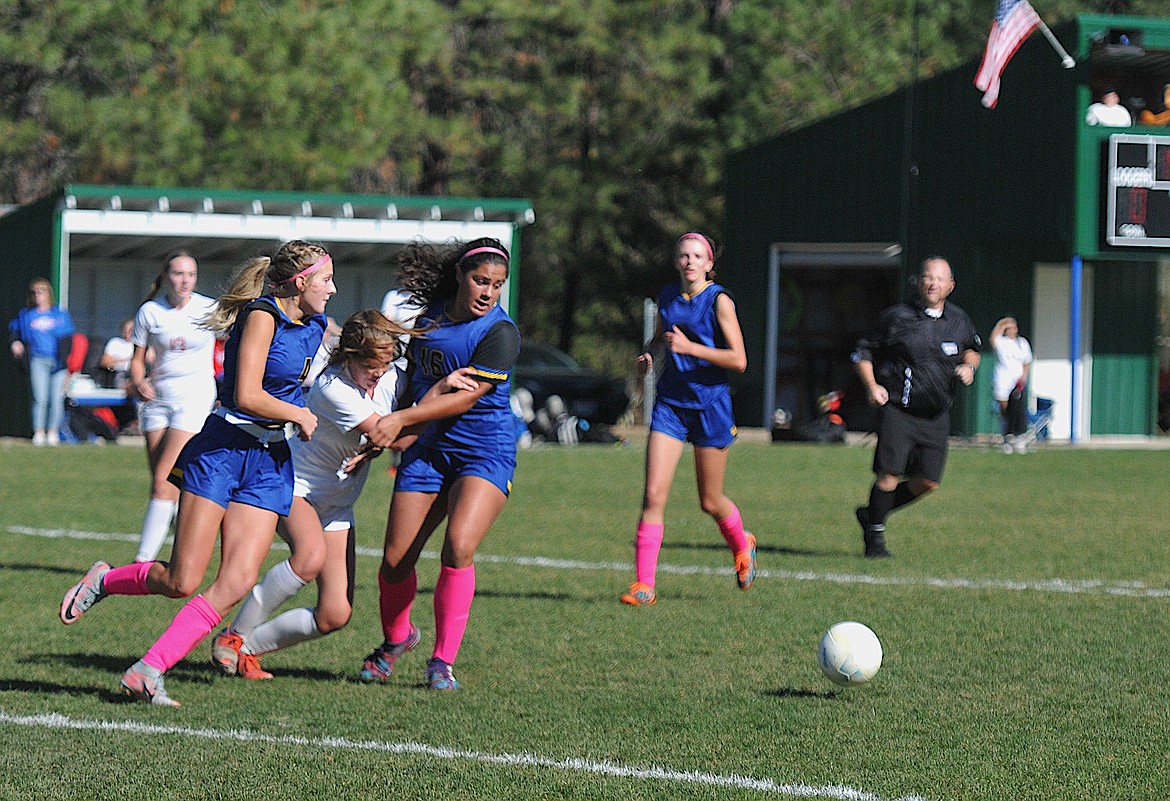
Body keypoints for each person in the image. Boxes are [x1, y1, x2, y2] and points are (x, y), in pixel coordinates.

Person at [58, 240, 336, 707]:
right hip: (224, 448)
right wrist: (299, 414)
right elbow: (245, 394)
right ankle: (104, 580)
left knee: (237, 580)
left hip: (268, 462)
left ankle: (149, 670)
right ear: (300, 281)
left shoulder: (317, 323)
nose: (332, 289)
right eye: (326, 279)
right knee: (182, 579)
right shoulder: (261, 316)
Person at [207, 310, 477, 680]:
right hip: (295, 486)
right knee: (309, 557)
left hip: (338, 504)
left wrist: (428, 397)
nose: (379, 373)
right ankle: (234, 637)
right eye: (370, 366)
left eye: (384, 364)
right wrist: (435, 396)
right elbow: (395, 434)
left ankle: (249, 651)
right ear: (349, 357)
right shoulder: (331, 388)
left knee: (336, 613)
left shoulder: (391, 376)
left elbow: (402, 428)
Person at [359, 237, 520, 691]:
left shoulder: (500, 333)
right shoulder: (429, 316)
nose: (488, 292)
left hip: (484, 450)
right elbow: (414, 381)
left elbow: (467, 397)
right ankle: (397, 640)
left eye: (497, 285)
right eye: (480, 281)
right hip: (428, 449)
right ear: (460, 277)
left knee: (459, 547)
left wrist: (400, 422)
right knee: (394, 563)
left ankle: (442, 661)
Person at [620, 231, 754, 608]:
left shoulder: (719, 301)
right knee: (653, 495)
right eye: (683, 255)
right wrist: (649, 353)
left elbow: (739, 360)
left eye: (697, 256)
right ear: (677, 262)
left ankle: (742, 545)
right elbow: (662, 338)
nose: (690, 262)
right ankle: (643, 584)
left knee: (710, 501)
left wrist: (692, 348)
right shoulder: (667, 296)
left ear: (709, 264)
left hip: (711, 408)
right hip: (671, 406)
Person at [852, 256, 981, 558]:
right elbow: (863, 353)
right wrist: (872, 387)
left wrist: (969, 368)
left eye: (939, 279)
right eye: (928, 277)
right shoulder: (897, 317)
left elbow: (972, 349)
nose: (933, 283)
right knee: (888, 475)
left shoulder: (959, 320)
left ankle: (871, 515)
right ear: (919, 281)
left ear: (950, 285)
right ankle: (876, 541)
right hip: (898, 411)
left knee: (928, 482)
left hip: (936, 416)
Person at [127, 252, 219, 562]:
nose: (185, 280)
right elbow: (137, 362)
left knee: (163, 482)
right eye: (179, 274)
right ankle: (186, 554)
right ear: (167, 276)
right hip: (157, 401)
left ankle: (140, 564)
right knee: (169, 482)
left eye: (190, 274)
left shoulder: (209, 308)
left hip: (194, 398)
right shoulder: (150, 312)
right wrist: (139, 382)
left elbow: (232, 346)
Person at [8, 278, 75, 446]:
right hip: (37, 360)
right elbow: (14, 332)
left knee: (56, 400)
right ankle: (39, 432)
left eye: (42, 291)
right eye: (35, 292)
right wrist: (15, 343)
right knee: (40, 397)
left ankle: (53, 433)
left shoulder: (59, 314)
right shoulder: (26, 315)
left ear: (48, 293)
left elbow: (69, 339)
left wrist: (67, 366)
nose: (38, 295)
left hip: (57, 362)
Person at [989, 316, 1033, 444]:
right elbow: (993, 340)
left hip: (1017, 380)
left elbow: (1027, 361)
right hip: (1002, 378)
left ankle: (1016, 433)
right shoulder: (1001, 342)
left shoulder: (1022, 343)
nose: (1011, 330)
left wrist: (1024, 376)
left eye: (1013, 328)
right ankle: (1007, 431)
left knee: (1017, 406)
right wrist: (1001, 324)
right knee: (1004, 407)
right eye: (1008, 328)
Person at [98, 317, 136, 389]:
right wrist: (126, 360)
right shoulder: (115, 343)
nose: (129, 333)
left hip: (136, 374)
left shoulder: (140, 345)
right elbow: (104, 362)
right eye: (127, 330)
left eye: (132, 330)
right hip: (120, 374)